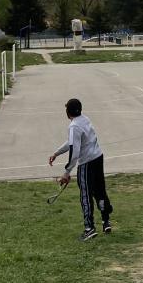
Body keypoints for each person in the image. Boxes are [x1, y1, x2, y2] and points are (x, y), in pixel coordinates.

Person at [49, 98, 113, 241]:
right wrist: (57, 153)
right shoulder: (84, 120)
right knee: (100, 190)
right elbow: (73, 142)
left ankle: (89, 228)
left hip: (87, 163)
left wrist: (67, 172)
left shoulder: (73, 126)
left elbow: (75, 151)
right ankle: (106, 221)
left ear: (68, 111)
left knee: (86, 195)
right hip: (98, 157)